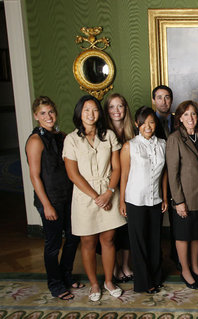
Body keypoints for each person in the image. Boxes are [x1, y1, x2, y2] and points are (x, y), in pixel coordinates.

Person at [63, 95, 126, 301]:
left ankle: (109, 281)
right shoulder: (71, 139)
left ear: (100, 113)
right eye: (86, 110)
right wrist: (95, 196)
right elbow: (73, 174)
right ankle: (94, 284)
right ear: (79, 113)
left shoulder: (108, 135)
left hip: (109, 191)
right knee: (88, 241)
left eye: (95, 110)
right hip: (84, 196)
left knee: (108, 240)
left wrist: (109, 192)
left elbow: (117, 168)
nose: (91, 114)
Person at [26, 96, 81, 300]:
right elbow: (34, 176)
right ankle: (55, 284)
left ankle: (66, 274)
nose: (48, 116)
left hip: (67, 196)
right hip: (49, 200)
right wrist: (47, 205)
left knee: (74, 238)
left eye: (50, 112)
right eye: (43, 113)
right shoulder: (35, 141)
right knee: (53, 244)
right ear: (36, 116)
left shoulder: (61, 136)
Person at [119, 106, 167, 294]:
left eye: (152, 122)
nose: (148, 126)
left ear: (156, 124)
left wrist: (163, 195)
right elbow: (124, 175)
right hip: (135, 200)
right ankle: (143, 282)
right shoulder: (129, 146)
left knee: (155, 240)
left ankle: (156, 277)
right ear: (137, 124)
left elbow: (164, 174)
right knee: (138, 241)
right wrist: (122, 201)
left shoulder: (163, 144)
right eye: (144, 122)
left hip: (155, 199)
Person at [167, 100, 198, 290]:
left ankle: (195, 265)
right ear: (180, 118)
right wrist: (179, 201)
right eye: (186, 115)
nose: (190, 118)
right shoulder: (175, 139)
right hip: (184, 197)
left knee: (197, 235)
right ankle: (185, 269)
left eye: (193, 114)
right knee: (184, 235)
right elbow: (172, 173)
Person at [104, 93, 136, 283]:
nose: (117, 111)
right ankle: (114, 266)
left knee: (127, 229)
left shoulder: (133, 132)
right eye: (112, 107)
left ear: (125, 109)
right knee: (110, 231)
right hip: (110, 186)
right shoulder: (103, 133)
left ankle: (125, 265)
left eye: (120, 106)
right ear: (107, 110)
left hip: (130, 186)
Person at [151, 85, 180, 268]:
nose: (164, 101)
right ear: (154, 100)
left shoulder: (179, 120)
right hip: (155, 180)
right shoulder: (146, 121)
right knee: (155, 223)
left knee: (178, 221)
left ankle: (178, 257)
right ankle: (156, 260)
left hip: (176, 179)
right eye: (159, 97)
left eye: (167, 97)